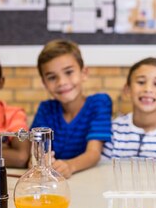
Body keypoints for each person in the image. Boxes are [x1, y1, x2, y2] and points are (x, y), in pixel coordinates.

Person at [31, 39, 111, 177]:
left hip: (87, 179)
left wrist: (70, 166)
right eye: (52, 77)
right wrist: (36, 162)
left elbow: (93, 153)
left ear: (84, 73)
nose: (62, 82)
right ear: (44, 83)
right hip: (52, 182)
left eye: (68, 72)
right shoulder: (45, 109)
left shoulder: (99, 103)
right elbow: (36, 153)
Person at [102, 57, 156, 159]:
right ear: (127, 90)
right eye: (141, 82)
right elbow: (103, 171)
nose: (148, 89)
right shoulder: (113, 130)